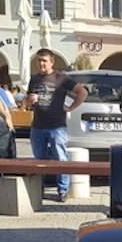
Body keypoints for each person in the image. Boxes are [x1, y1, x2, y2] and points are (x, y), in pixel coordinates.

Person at [23, 48, 88, 202]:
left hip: (57, 126)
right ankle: (39, 189)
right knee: (39, 160)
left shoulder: (61, 78)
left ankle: (62, 190)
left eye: (44, 61)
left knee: (60, 159)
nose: (41, 64)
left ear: (51, 62)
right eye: (39, 60)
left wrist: (71, 107)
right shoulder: (34, 79)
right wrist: (29, 101)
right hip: (38, 125)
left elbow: (82, 92)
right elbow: (26, 102)